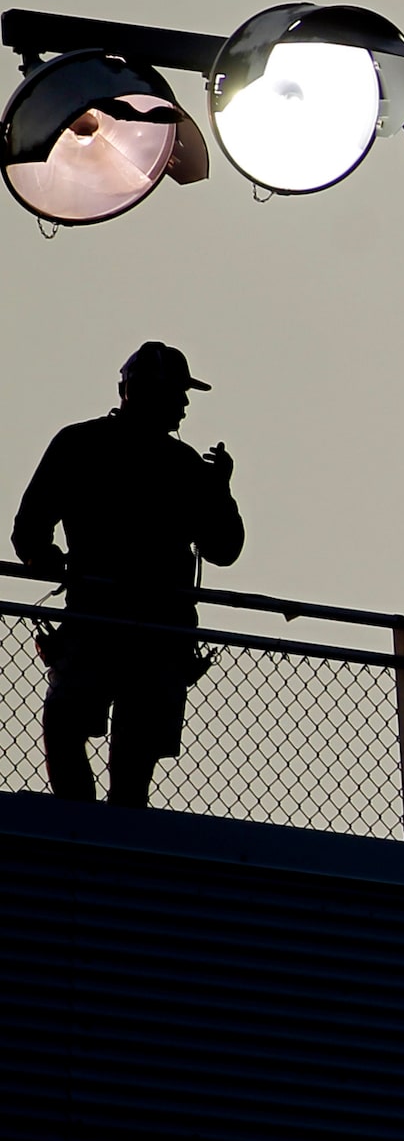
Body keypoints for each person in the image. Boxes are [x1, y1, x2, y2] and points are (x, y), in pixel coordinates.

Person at [13, 341, 244, 808]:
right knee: (100, 740)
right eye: (178, 392)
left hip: (112, 624)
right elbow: (224, 549)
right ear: (147, 391)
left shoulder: (86, 445)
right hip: (143, 631)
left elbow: (29, 529)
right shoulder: (175, 466)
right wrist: (219, 490)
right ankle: (98, 826)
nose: (183, 404)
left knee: (72, 727)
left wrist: (43, 557)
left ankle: (82, 823)